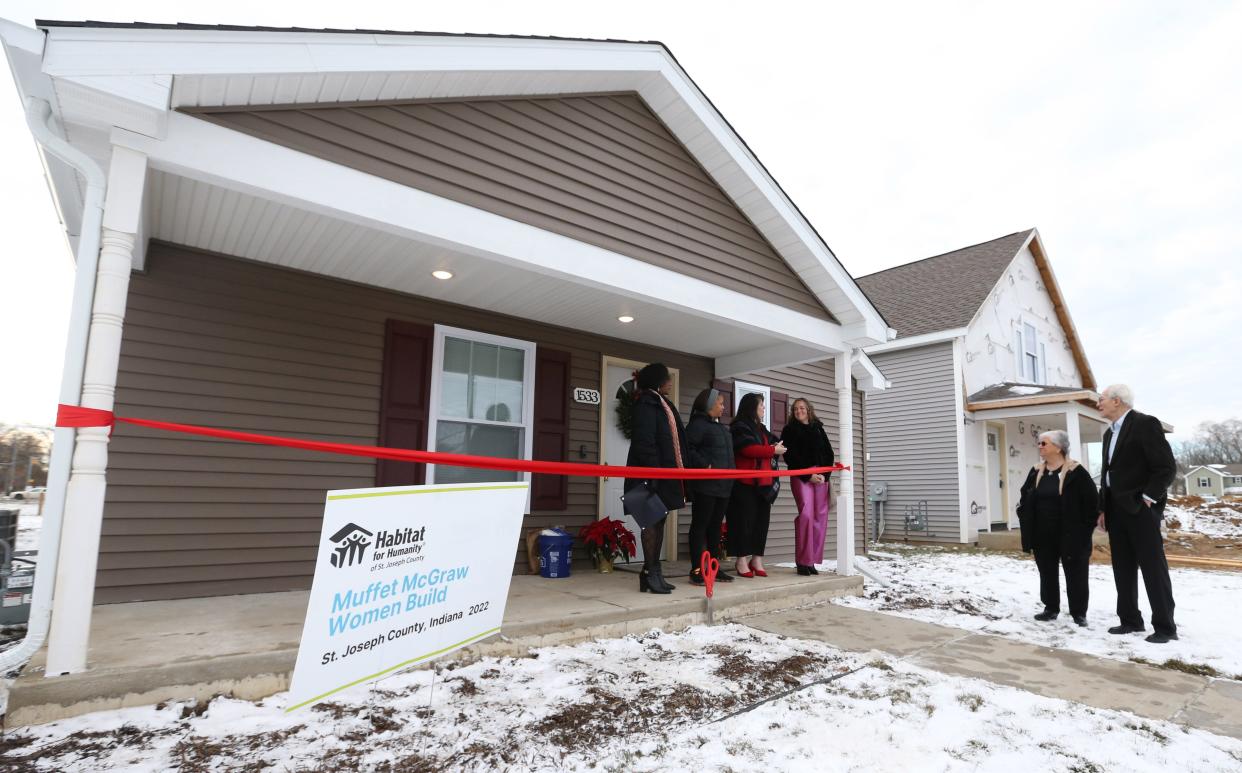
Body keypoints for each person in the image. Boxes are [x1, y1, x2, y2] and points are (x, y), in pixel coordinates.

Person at [1095, 384, 1179, 643]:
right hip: (1116, 511)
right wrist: (1102, 509)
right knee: (1123, 567)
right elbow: (1108, 474)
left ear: (1117, 401)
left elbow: (1165, 467)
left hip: (1140, 510)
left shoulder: (1144, 424)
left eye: (1102, 399)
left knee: (1153, 568)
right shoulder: (1109, 434)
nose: (1099, 404)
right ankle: (1130, 620)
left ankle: (1165, 627)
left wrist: (1147, 498)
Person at [1016, 430, 1099, 626]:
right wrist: (1023, 513)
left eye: (1043, 443)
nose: (1040, 447)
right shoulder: (1036, 471)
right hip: (1042, 534)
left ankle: (1079, 612)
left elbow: (1091, 504)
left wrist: (1084, 531)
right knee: (1047, 572)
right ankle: (1050, 608)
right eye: (1039, 443)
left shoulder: (1076, 472)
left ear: (1058, 447)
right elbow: (1025, 495)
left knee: (1076, 574)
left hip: (1071, 535)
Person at [624, 362, 687, 594]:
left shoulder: (660, 402)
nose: (670, 381)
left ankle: (652, 572)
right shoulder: (646, 403)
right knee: (651, 521)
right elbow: (645, 442)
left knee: (659, 520)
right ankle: (650, 574)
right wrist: (656, 473)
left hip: (662, 474)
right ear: (657, 381)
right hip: (649, 474)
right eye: (666, 378)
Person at [727, 392, 786, 578]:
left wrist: (777, 446)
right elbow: (747, 449)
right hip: (744, 484)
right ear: (752, 407)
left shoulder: (761, 428)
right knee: (743, 522)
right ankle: (741, 559)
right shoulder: (739, 427)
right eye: (761, 405)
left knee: (762, 522)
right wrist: (771, 450)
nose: (763, 408)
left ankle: (757, 558)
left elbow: (773, 443)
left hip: (764, 484)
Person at [685, 388, 736, 586]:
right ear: (709, 405)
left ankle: (713, 566)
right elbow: (688, 449)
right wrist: (704, 464)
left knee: (715, 527)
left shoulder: (719, 427)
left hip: (723, 486)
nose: (723, 407)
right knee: (700, 526)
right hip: (705, 486)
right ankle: (697, 569)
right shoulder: (697, 425)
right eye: (720, 403)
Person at [780, 398, 835, 576]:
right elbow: (790, 457)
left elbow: (829, 452)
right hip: (802, 476)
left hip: (820, 477)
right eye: (795, 409)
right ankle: (802, 561)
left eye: (802, 408)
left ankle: (811, 561)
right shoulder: (789, 430)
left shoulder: (818, 427)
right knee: (806, 515)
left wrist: (824, 476)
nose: (799, 411)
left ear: (809, 410)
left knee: (820, 516)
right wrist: (808, 475)